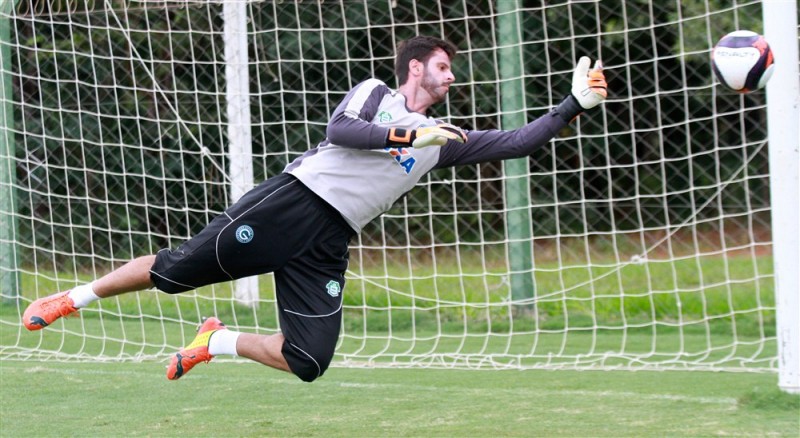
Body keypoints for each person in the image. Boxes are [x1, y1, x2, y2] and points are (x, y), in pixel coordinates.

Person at [21, 36, 607, 382]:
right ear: (415, 68)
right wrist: (407, 138)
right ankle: (71, 299)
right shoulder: (378, 94)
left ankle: (215, 341)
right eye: (443, 67)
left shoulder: (442, 137)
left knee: (308, 360)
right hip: (293, 203)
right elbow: (343, 130)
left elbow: (515, 144)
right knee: (173, 273)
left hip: (330, 238)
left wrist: (570, 107)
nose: (451, 77)